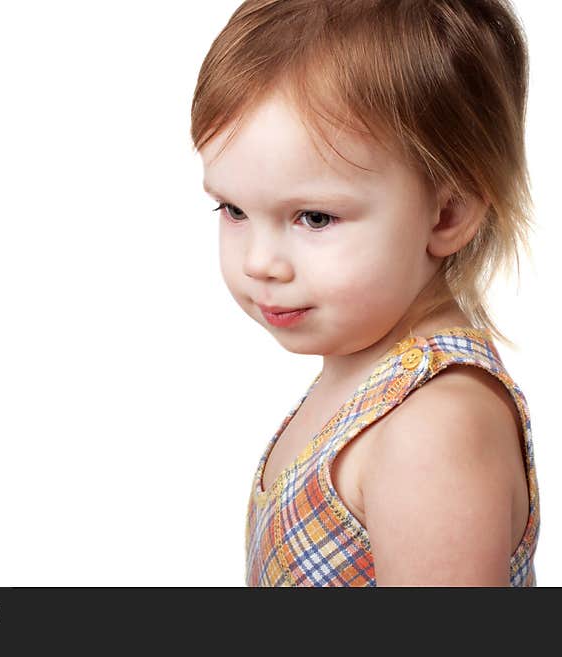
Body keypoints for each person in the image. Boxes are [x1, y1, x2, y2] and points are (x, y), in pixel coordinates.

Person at [190, 0, 540, 586]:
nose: (259, 263)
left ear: (447, 212)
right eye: (234, 209)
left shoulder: (433, 427)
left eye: (315, 218)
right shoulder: (367, 376)